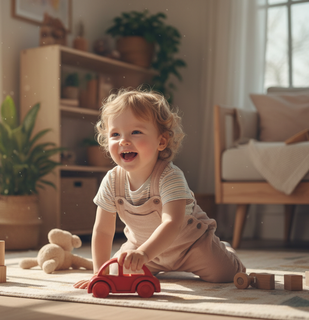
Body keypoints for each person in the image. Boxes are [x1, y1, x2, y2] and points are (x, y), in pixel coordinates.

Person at [74, 88, 245, 289]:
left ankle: (225, 250)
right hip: (141, 249)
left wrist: (145, 253)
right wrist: (98, 273)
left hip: (191, 246)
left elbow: (172, 222)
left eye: (136, 132)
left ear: (161, 141)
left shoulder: (170, 176)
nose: (124, 140)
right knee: (115, 274)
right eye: (115, 134)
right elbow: (102, 230)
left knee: (224, 274)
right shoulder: (112, 181)